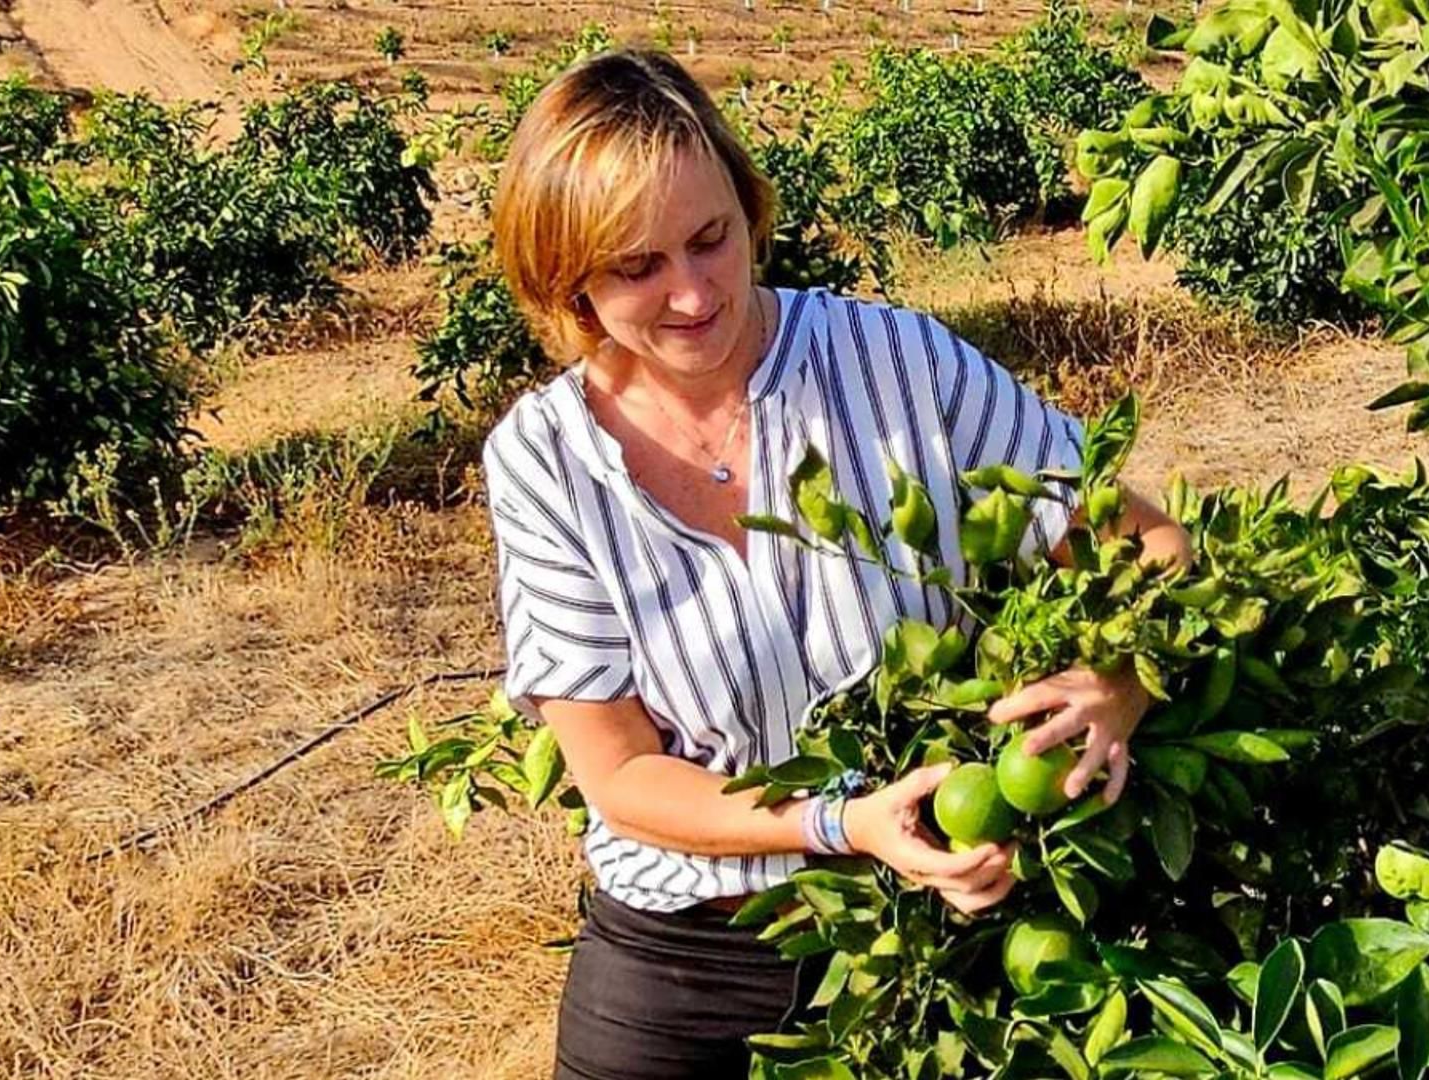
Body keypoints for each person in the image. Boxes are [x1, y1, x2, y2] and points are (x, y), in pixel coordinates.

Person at [481, 49, 1193, 1080]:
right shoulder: (545, 461)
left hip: (924, 937)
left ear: (747, 207)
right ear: (570, 280)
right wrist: (841, 822)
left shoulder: (898, 362)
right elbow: (622, 776)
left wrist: (1120, 679)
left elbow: (1147, 542)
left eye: (711, 239)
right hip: (686, 953)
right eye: (637, 268)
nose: (692, 293)